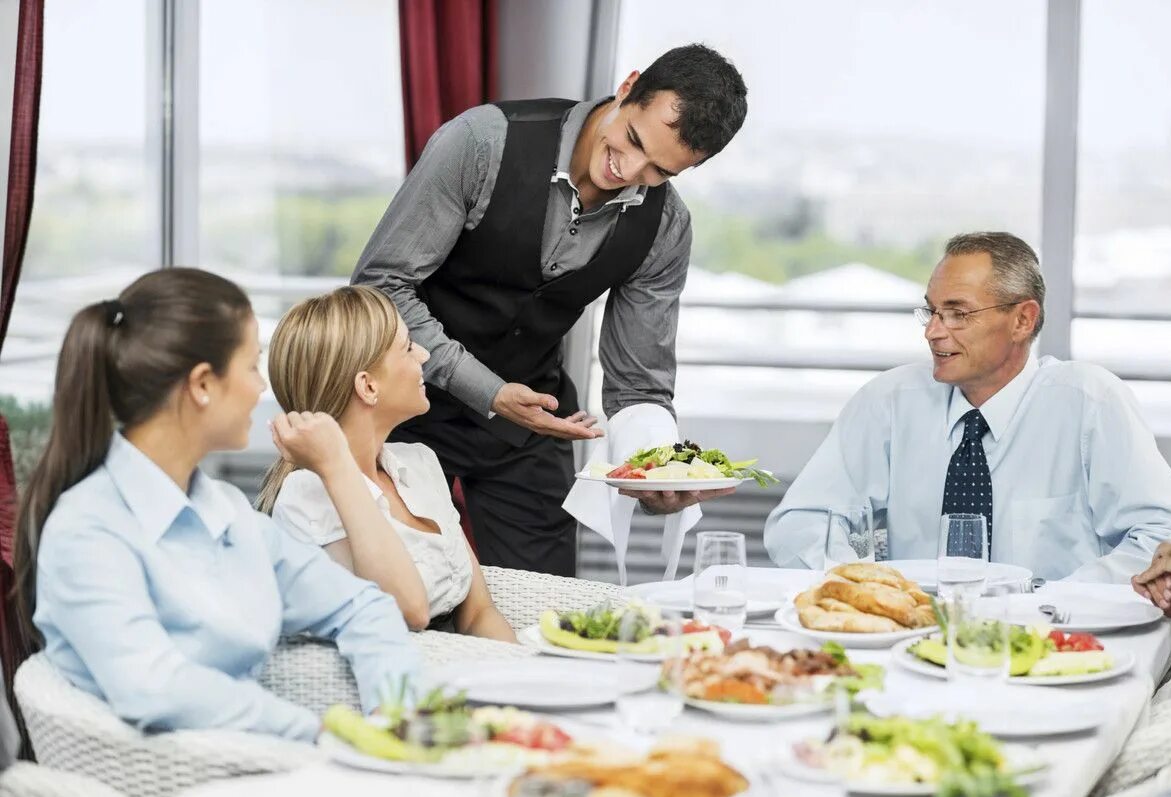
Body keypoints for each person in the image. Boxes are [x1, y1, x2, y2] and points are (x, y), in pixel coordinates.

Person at [352, 44, 748, 576]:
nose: (628, 170)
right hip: (402, 407)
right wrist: (486, 391)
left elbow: (639, 385)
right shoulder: (481, 144)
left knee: (545, 611)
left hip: (531, 426)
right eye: (632, 140)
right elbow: (380, 288)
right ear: (628, 86)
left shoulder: (665, 227)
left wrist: (657, 468)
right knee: (400, 596)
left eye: (659, 170)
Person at [12, 269, 419, 742]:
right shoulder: (87, 530)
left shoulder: (226, 512)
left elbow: (364, 606)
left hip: (263, 766)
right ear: (203, 384)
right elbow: (154, 687)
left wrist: (396, 720)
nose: (260, 389)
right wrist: (321, 735)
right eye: (251, 367)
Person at [764, 232, 1171, 582]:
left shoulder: (1089, 401)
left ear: (1023, 320)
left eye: (958, 314)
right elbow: (800, 520)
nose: (933, 332)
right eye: (931, 312)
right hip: (914, 640)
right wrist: (863, 587)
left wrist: (1058, 604)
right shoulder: (890, 401)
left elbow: (1167, 535)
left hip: (1058, 642)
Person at [258, 286, 516, 641]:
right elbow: (409, 610)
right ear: (367, 386)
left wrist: (520, 673)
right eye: (408, 346)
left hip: (470, 677)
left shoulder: (420, 463)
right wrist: (336, 467)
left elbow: (478, 613)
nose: (424, 355)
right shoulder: (308, 494)